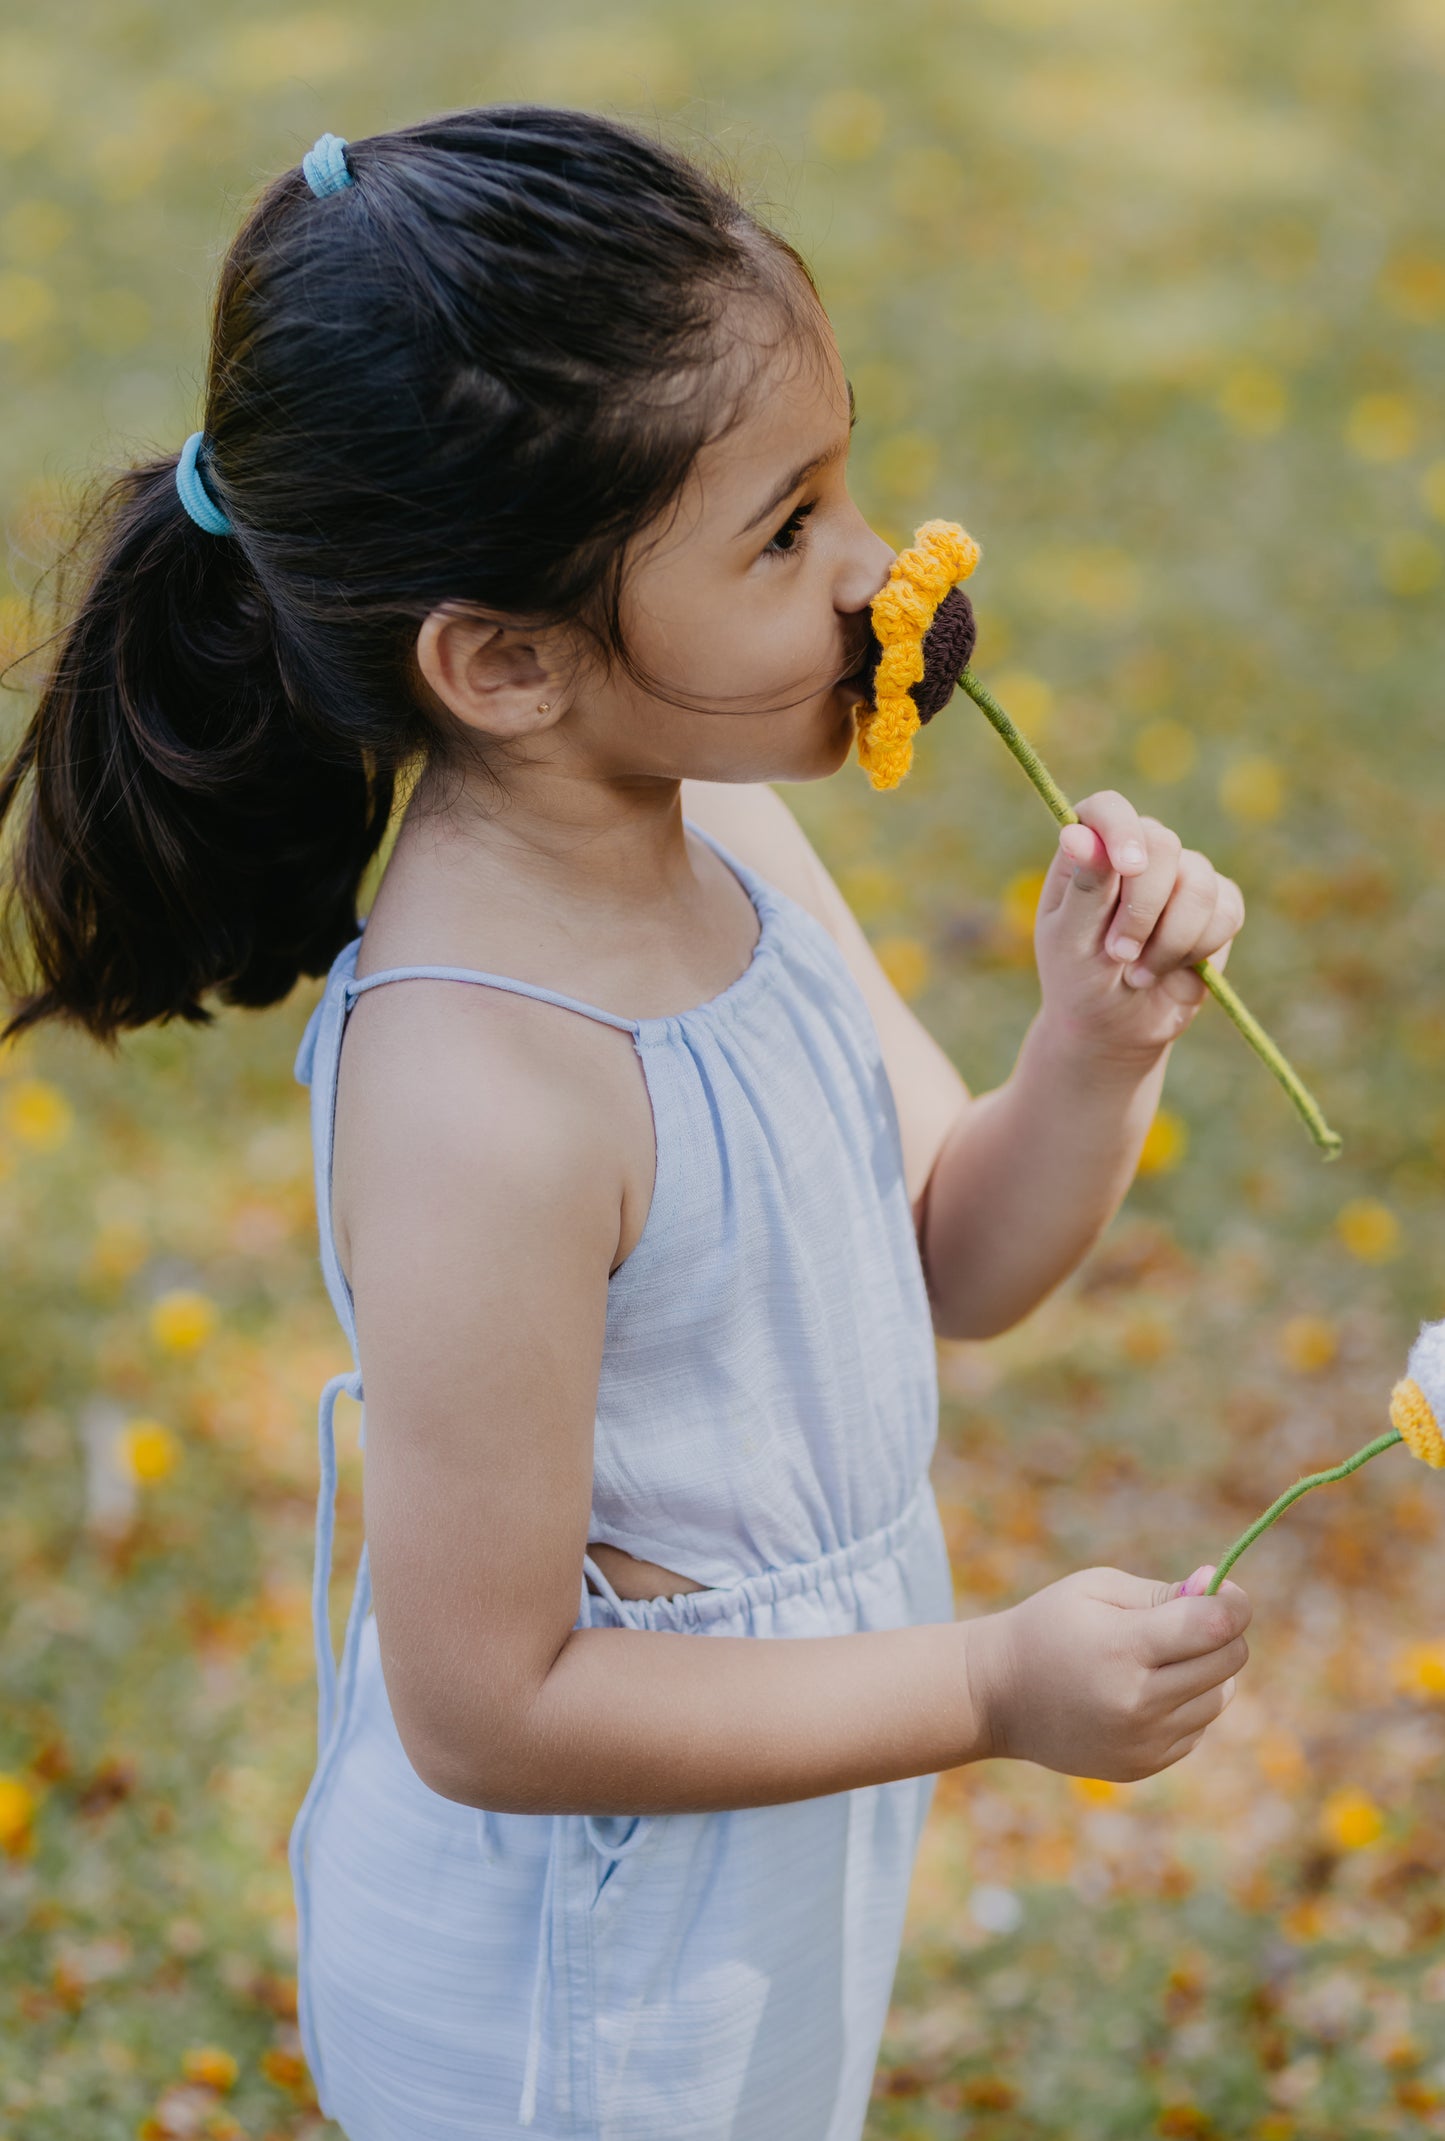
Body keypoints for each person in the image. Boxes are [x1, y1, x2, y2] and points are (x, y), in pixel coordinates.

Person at [0, 108, 1253, 2141]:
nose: (873, 577)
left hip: (768, 1842)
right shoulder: (481, 1079)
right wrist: (983, 1689)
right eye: (782, 535)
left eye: (844, 483)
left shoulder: (737, 843)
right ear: (503, 662)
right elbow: (490, 1706)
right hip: (568, 1979)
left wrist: (1092, 1051)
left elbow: (955, 1255)